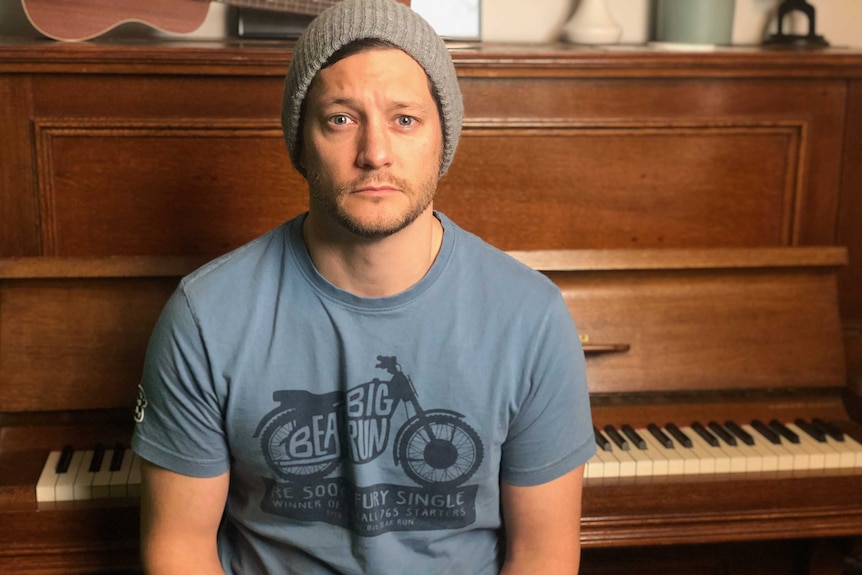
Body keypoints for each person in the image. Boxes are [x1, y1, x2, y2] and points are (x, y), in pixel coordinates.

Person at [131, 0, 595, 573]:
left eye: (405, 119)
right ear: (301, 140)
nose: (375, 153)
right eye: (341, 118)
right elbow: (179, 549)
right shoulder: (204, 316)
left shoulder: (532, 316)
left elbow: (543, 555)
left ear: (442, 138)